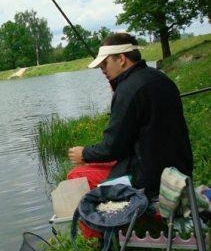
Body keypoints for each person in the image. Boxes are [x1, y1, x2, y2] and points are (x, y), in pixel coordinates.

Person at [68, 33, 193, 202]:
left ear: (121, 59)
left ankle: (105, 225)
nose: (103, 70)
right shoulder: (159, 77)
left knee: (77, 175)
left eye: (105, 64)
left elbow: (112, 147)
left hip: (151, 178)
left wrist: (84, 153)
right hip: (180, 168)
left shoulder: (128, 90)